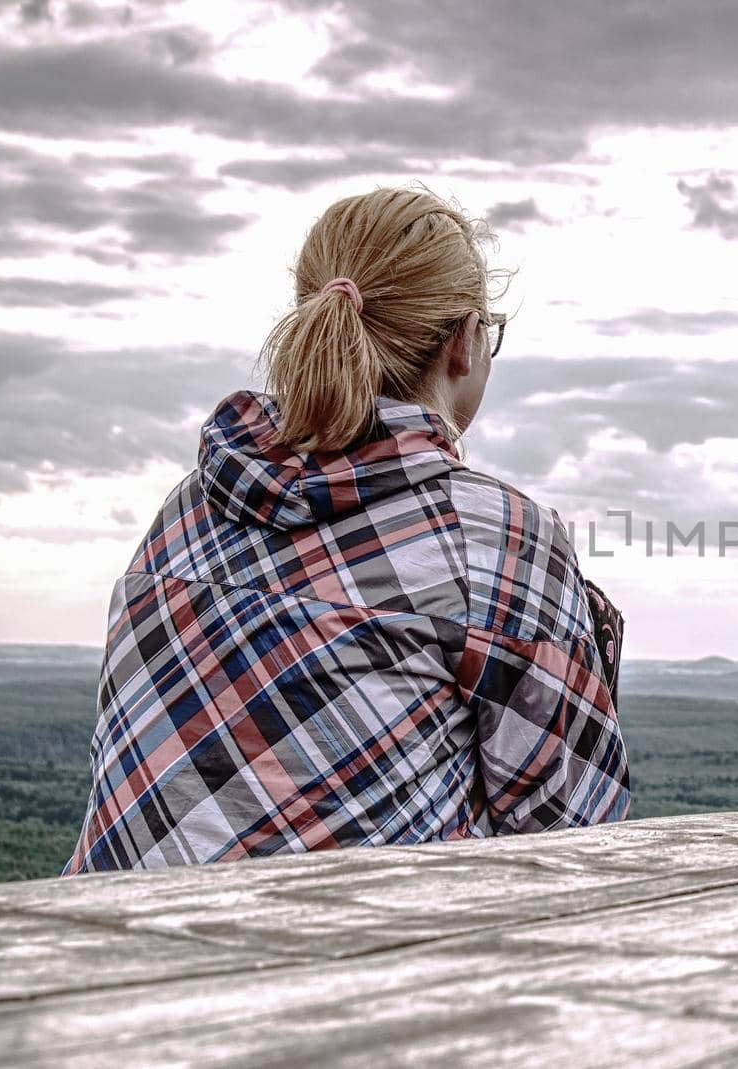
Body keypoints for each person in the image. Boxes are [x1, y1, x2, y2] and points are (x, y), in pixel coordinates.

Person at [63, 185, 631, 873]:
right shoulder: (494, 537)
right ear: (466, 342)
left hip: (111, 956)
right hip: (346, 968)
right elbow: (575, 835)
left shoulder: (188, 505)